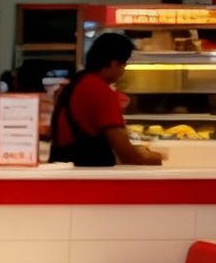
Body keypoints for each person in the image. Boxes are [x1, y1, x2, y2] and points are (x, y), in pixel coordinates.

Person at [48, 31, 163, 166]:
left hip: (65, 174)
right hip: (89, 179)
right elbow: (129, 157)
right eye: (124, 64)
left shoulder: (73, 84)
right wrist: (160, 159)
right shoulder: (100, 91)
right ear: (114, 63)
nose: (123, 71)